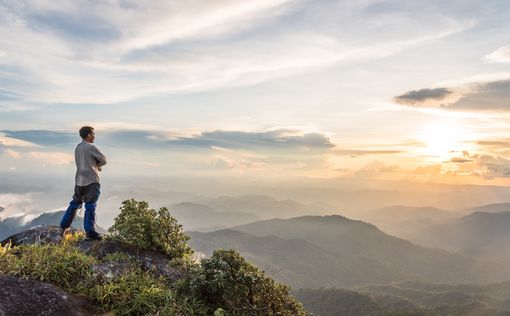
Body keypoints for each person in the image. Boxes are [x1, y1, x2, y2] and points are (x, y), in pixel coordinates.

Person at [60, 126, 107, 240]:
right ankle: (90, 232)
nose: (94, 136)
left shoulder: (78, 147)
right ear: (89, 135)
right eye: (93, 134)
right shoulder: (91, 147)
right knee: (90, 205)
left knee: (75, 203)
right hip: (91, 180)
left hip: (79, 181)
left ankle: (63, 225)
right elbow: (103, 160)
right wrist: (97, 165)